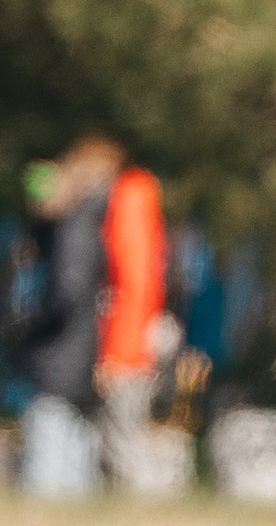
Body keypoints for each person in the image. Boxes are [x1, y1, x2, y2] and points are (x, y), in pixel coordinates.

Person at [15, 134, 171, 496]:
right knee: (103, 446)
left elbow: (128, 285)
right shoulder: (120, 207)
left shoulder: (114, 209)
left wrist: (116, 353)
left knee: (114, 448)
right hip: (109, 347)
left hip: (104, 350)